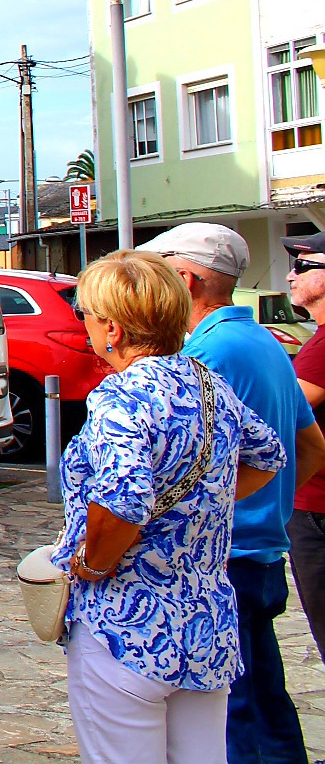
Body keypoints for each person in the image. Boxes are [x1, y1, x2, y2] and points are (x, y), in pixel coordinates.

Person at [54, 250, 286, 764]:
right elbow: (269, 454)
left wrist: (91, 564)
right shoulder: (207, 384)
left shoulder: (121, 396)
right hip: (205, 621)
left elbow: (123, 503)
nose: (85, 326)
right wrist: (205, 502)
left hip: (125, 622)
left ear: (111, 328)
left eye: (86, 316)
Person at [139, 223, 325, 764]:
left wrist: (230, 507)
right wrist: (273, 508)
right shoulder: (260, 338)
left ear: (185, 279)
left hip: (226, 556)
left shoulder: (208, 353)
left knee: (230, 715)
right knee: (266, 701)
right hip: (260, 549)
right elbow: (308, 444)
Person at [282, 229, 325, 662]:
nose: (291, 276)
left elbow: (283, 415)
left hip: (318, 508)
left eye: (304, 266)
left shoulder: (321, 349)